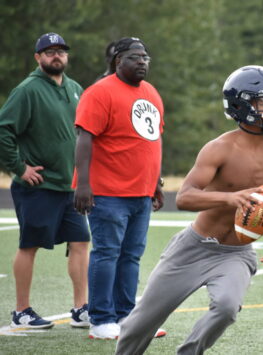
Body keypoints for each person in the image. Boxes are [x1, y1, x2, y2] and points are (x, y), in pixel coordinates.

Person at [115, 65, 263, 355]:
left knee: (227, 308)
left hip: (236, 253)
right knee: (140, 324)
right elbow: (184, 198)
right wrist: (229, 199)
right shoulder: (219, 149)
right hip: (193, 248)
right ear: (242, 105)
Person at [73, 36, 166, 340]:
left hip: (140, 192)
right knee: (107, 254)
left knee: (131, 256)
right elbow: (84, 138)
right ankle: (101, 320)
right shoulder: (100, 92)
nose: (142, 62)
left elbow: (152, 141)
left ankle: (128, 317)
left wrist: (156, 181)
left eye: (146, 57)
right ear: (118, 61)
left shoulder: (151, 92)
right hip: (108, 192)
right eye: (135, 57)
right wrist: (83, 184)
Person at [0, 32, 90, 329]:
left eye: (61, 51)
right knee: (30, 245)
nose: (56, 56)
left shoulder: (75, 88)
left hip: (70, 187)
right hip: (38, 186)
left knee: (80, 242)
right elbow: (4, 131)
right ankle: (21, 311)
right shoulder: (27, 90)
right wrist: (19, 168)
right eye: (49, 51)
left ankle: (81, 308)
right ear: (38, 57)